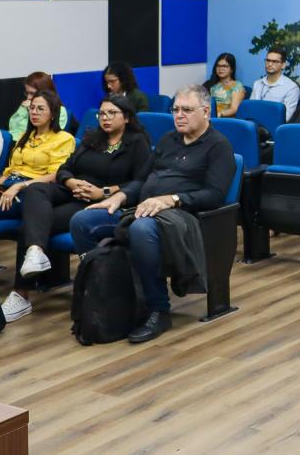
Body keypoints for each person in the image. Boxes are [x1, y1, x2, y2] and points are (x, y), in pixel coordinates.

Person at [70, 85, 234, 343]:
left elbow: (215, 195)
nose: (179, 115)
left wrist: (173, 199)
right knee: (82, 221)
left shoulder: (218, 146)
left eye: (187, 110)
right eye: (176, 109)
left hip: (184, 216)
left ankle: (158, 309)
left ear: (206, 112)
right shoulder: (168, 139)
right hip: (142, 208)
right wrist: (119, 197)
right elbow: (141, 179)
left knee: (141, 228)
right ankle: (112, 293)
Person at [0, 95, 152, 322]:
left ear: (127, 117)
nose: (105, 118)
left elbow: (140, 182)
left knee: (29, 227)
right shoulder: (92, 137)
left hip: (100, 200)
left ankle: (21, 293)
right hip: (72, 189)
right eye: (102, 113)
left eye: (112, 113)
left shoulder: (137, 143)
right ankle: (35, 253)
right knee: (35, 189)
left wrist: (104, 192)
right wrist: (72, 182)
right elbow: (64, 168)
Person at [0, 90, 75, 289]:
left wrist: (20, 186)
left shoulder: (63, 139)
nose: (34, 113)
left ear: (53, 113)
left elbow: (57, 174)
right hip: (10, 186)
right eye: (32, 108)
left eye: (40, 109)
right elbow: (10, 171)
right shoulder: (25, 136)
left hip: (34, 191)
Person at [7, 71, 70, 141]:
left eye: (32, 93)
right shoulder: (27, 105)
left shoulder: (60, 111)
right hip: (17, 141)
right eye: (27, 93)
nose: (28, 97)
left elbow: (48, 133)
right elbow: (12, 126)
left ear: (44, 91)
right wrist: (23, 109)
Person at [251, 47, 300, 120]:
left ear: (283, 65)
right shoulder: (257, 83)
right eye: (268, 60)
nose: (270, 64)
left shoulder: (291, 88)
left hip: (274, 125)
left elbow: (286, 117)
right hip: (254, 123)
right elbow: (250, 109)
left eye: (274, 61)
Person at [205, 52, 245, 118]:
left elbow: (234, 109)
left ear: (232, 69)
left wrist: (219, 114)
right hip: (208, 116)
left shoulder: (237, 86)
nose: (220, 69)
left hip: (224, 119)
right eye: (218, 66)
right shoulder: (210, 83)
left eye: (225, 66)